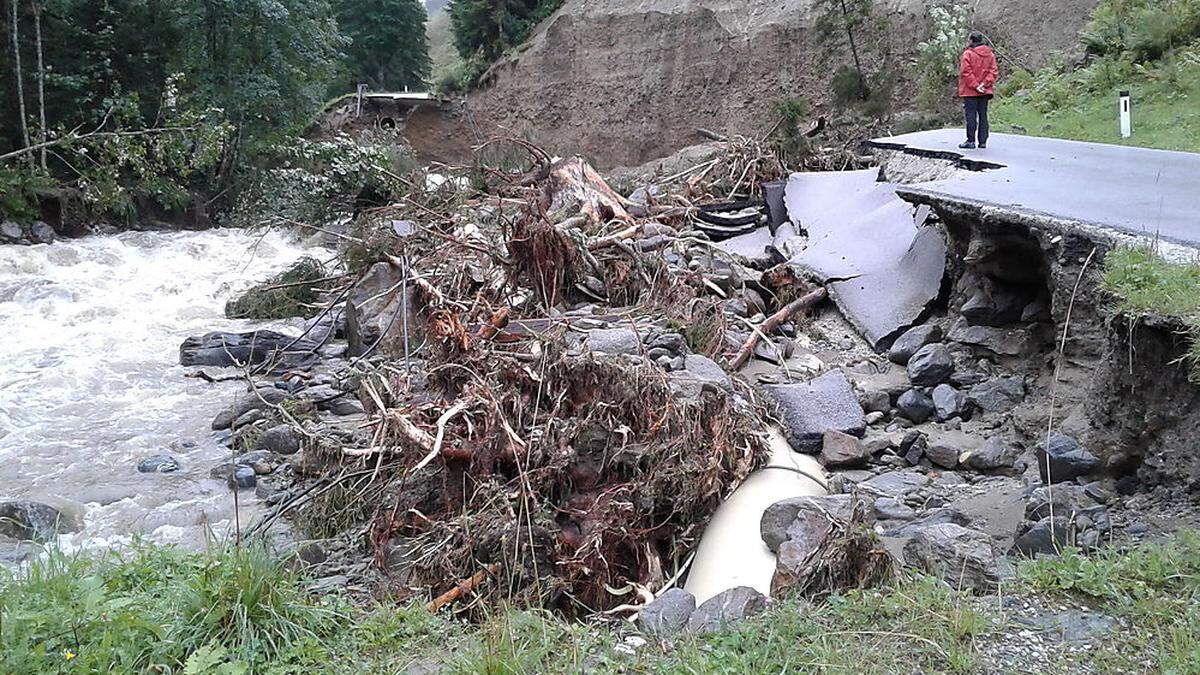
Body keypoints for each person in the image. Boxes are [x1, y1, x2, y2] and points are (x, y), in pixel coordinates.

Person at [957, 31, 998, 149]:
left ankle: (971, 141)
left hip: (970, 91)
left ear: (971, 40)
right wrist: (984, 84)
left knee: (971, 115)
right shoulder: (990, 54)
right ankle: (983, 142)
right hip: (985, 91)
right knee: (983, 115)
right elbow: (993, 71)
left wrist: (976, 85)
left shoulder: (968, 54)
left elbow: (966, 72)